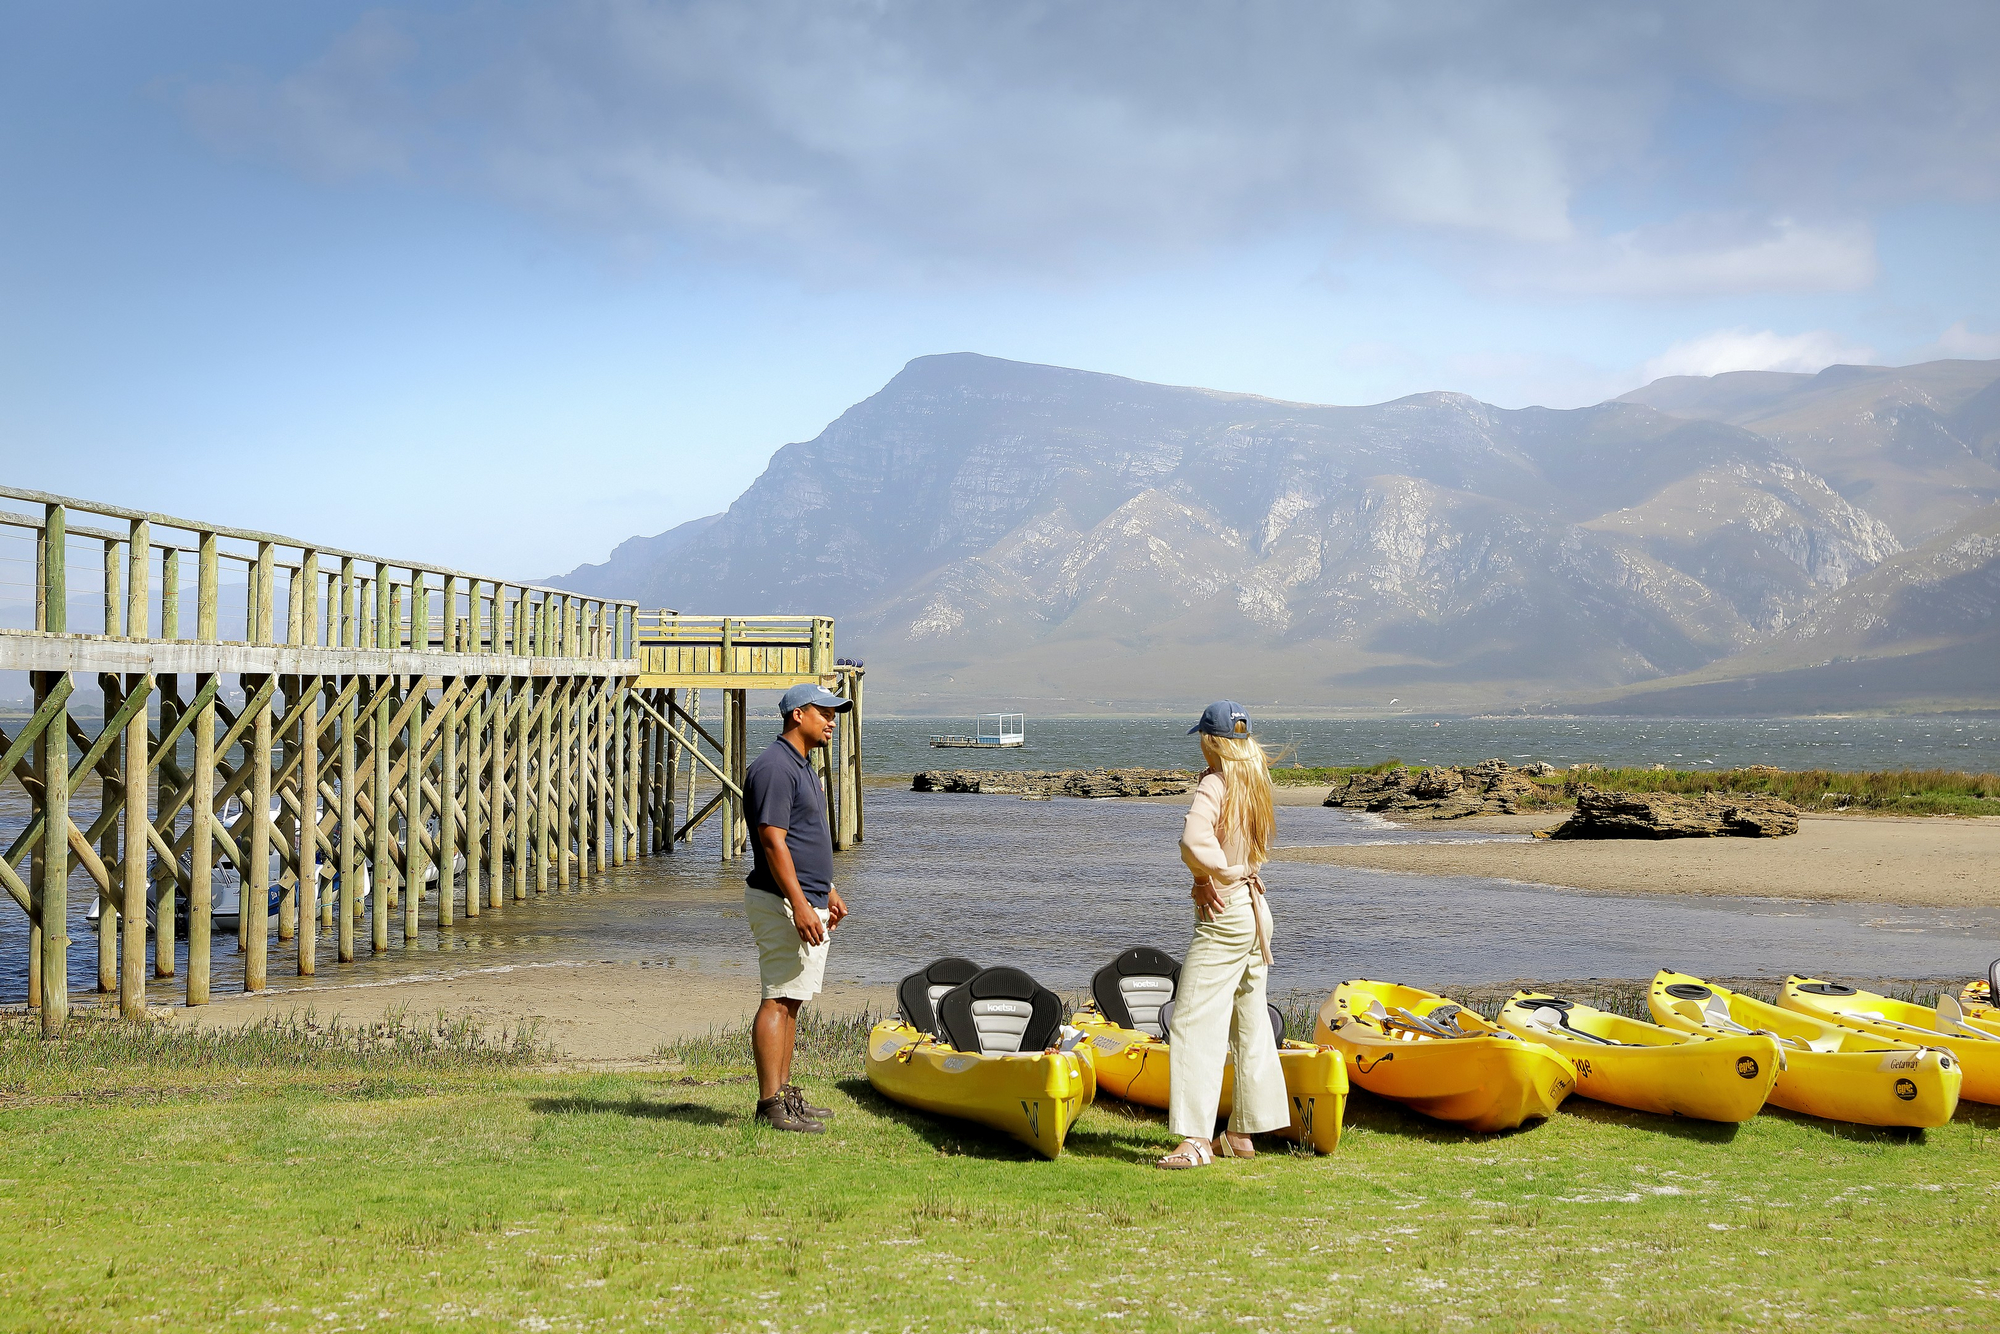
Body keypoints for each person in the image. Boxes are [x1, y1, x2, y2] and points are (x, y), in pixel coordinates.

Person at [1156, 700, 1288, 1169]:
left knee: (1192, 1020)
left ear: (1210, 740)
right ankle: (1241, 1134)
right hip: (1257, 910)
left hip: (1227, 911)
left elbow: (1194, 841)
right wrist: (1225, 872)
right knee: (1249, 1019)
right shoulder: (1256, 781)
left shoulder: (1214, 783)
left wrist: (1209, 874)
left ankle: (1194, 1140)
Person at [742, 681, 853, 1132]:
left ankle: (785, 1096)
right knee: (777, 998)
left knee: (793, 999)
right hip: (780, 902)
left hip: (804, 897)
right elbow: (773, 841)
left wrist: (826, 890)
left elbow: (805, 837)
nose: (832, 722)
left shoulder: (801, 765)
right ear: (797, 715)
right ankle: (770, 1103)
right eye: (824, 713)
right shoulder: (775, 767)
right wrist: (801, 903)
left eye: (834, 714)